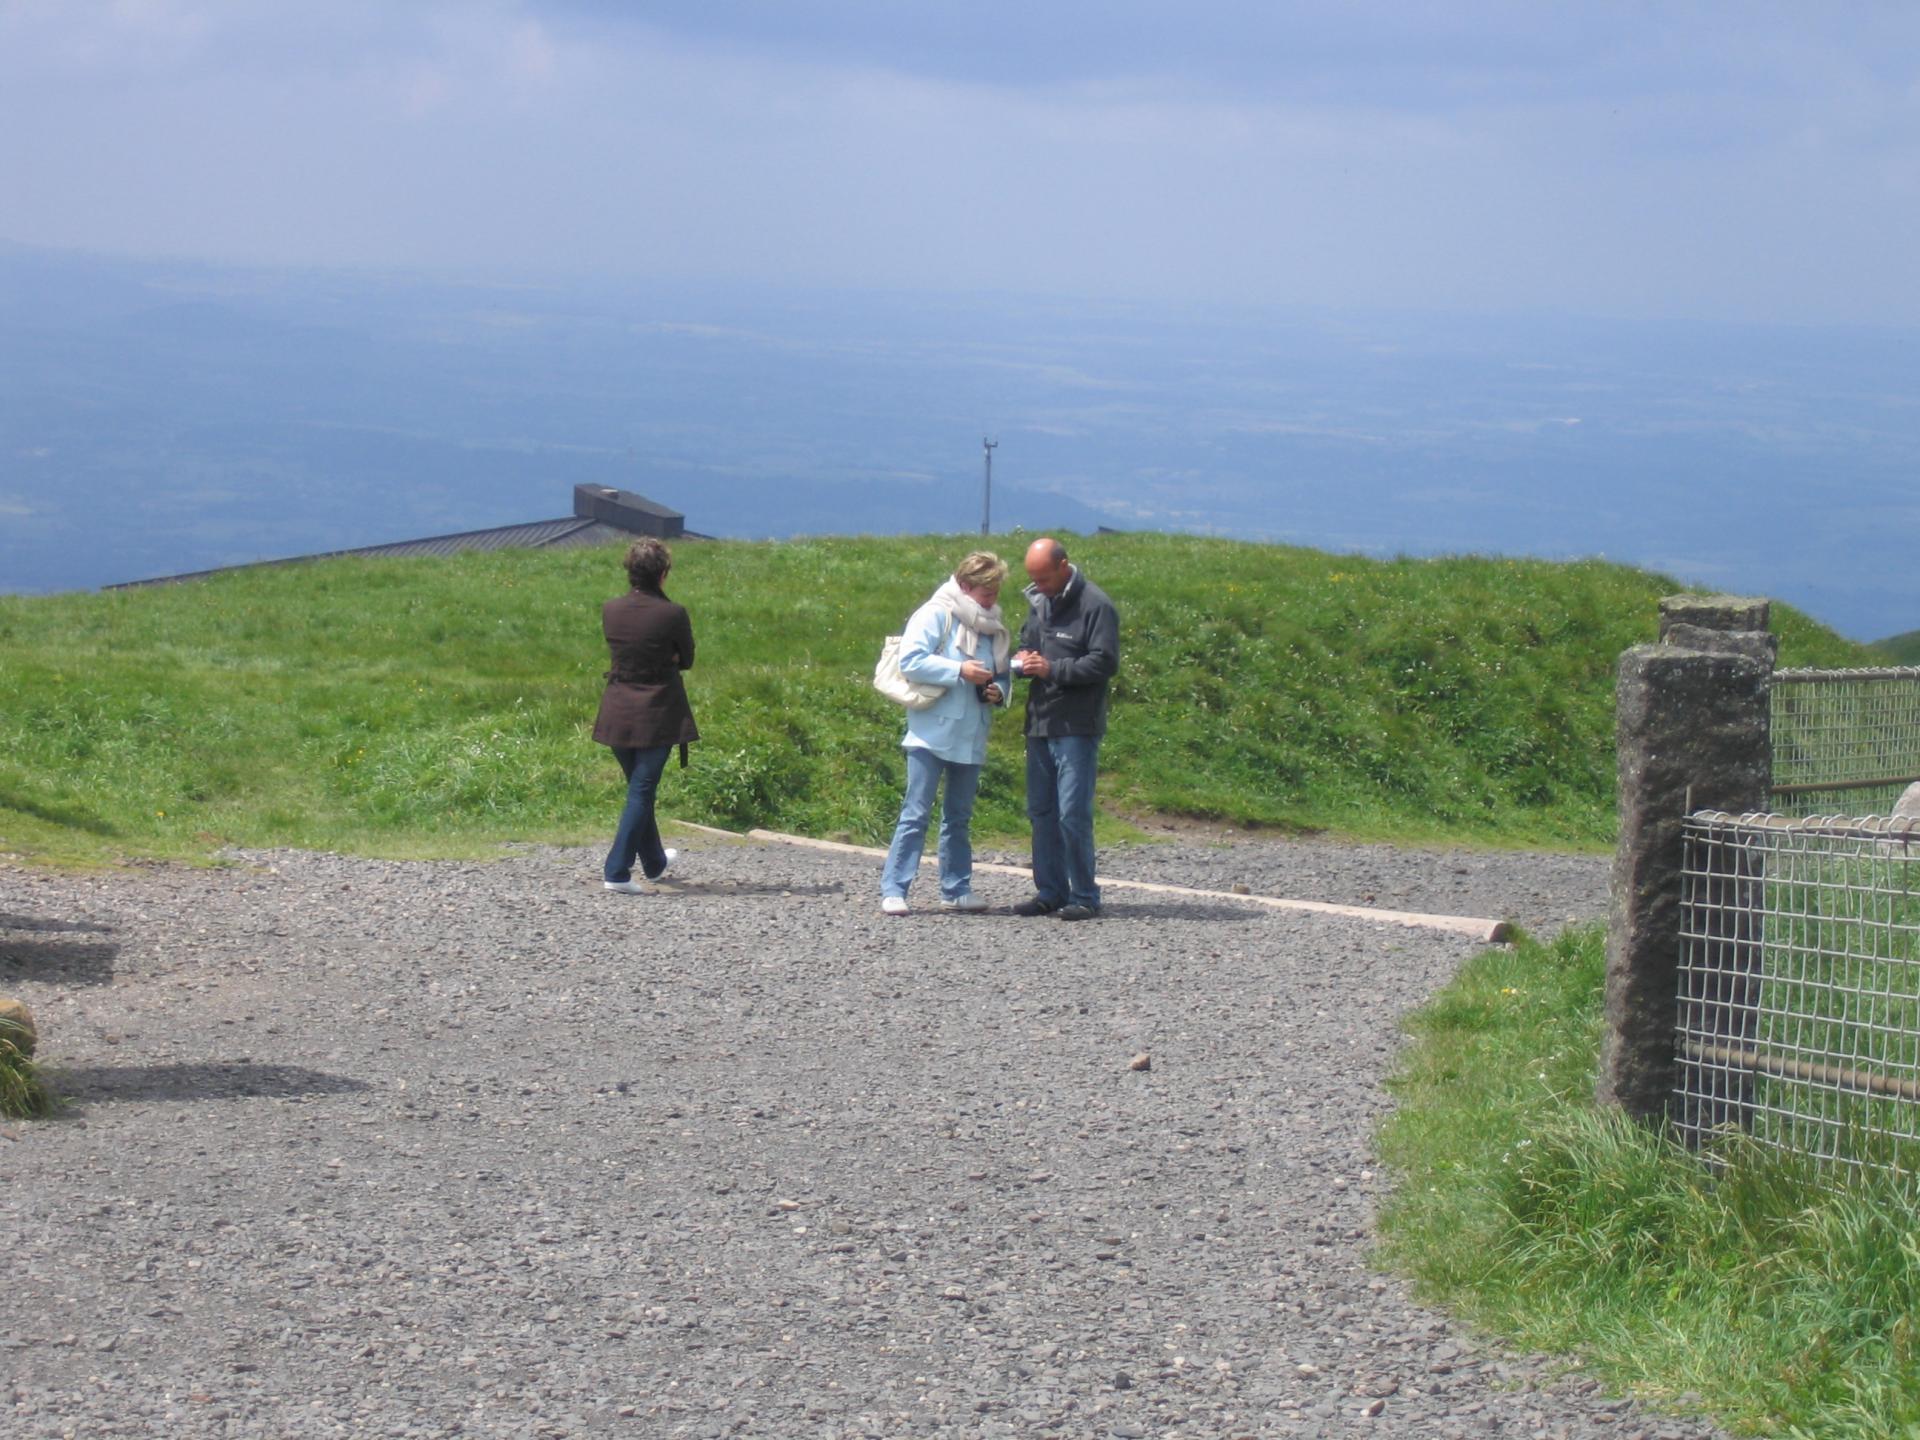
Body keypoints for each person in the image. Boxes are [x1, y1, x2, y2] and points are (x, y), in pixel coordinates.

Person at [879, 552, 1014, 915]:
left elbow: (1002, 671)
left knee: (959, 815)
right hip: (930, 733)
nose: (993, 601)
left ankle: (956, 888)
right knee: (916, 811)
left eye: (996, 593)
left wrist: (999, 691)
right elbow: (911, 660)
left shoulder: (992, 626)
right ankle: (895, 888)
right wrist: (958, 671)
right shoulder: (935, 613)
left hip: (972, 733)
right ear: (966, 587)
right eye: (987, 593)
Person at [1010, 537, 1119, 921]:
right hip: (1040, 721)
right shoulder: (1039, 603)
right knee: (1041, 811)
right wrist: (1023, 658)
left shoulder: (1096, 605)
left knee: (1072, 813)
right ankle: (1050, 892)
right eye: (1033, 579)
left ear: (1063, 566)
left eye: (1043, 578)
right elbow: (1027, 642)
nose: (1038, 586)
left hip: (1076, 725)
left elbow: (1103, 663)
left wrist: (1053, 670)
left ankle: (1085, 895)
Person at [592, 537, 698, 894]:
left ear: (630, 571)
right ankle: (617, 870)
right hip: (657, 712)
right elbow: (686, 659)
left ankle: (654, 862)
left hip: (617, 710)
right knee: (642, 790)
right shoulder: (673, 613)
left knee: (639, 789)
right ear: (663, 573)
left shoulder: (611, 609)